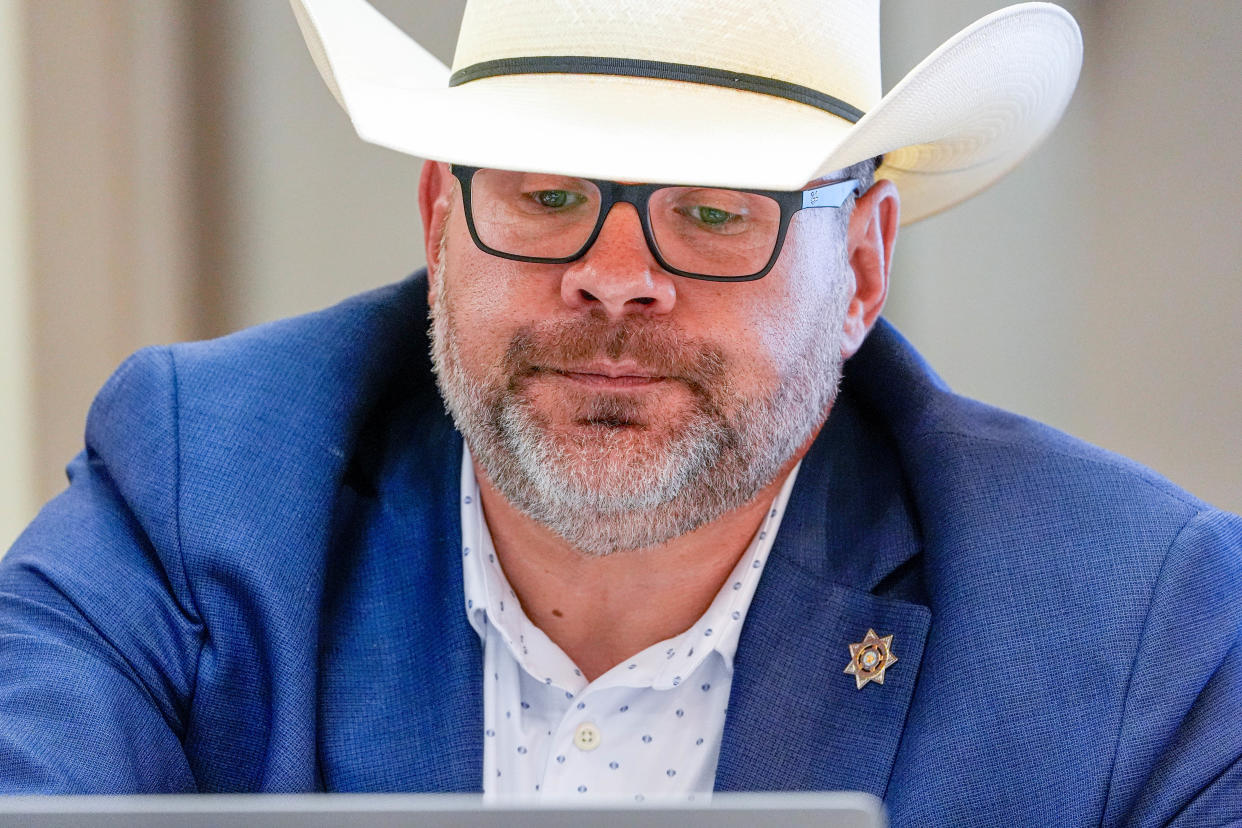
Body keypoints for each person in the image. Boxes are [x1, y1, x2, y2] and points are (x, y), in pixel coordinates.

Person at [1, 0, 1239, 823]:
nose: (614, 274)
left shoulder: (1139, 623)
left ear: (861, 267)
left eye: (714, 213)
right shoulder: (197, 484)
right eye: (545, 193)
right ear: (439, 219)